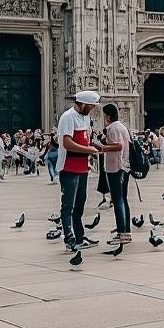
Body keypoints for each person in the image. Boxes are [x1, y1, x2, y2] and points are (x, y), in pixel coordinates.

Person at [57, 91, 102, 251]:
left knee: (80, 204)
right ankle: (70, 239)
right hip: (69, 166)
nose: (91, 110)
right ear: (82, 103)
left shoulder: (85, 118)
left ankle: (80, 236)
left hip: (82, 167)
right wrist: (87, 149)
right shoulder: (68, 117)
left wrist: (96, 147)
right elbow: (67, 143)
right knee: (68, 205)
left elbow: (85, 140)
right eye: (90, 106)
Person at [99, 104, 132, 247]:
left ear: (107, 115)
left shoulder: (113, 127)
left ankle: (122, 233)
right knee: (123, 199)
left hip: (116, 167)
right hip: (123, 167)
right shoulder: (121, 126)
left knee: (117, 200)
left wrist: (102, 147)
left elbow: (119, 146)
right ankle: (125, 230)